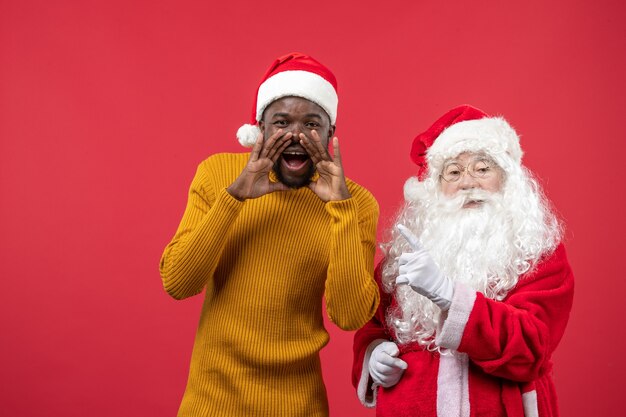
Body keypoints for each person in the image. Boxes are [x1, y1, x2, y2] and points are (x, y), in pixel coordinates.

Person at [159, 52, 380, 417]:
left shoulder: (356, 202)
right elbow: (178, 283)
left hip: (299, 404)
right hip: (212, 403)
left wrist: (340, 206)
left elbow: (350, 315)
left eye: (312, 124)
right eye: (281, 122)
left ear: (330, 134)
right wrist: (235, 197)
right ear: (260, 129)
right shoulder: (218, 174)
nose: (296, 135)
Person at [352, 105, 574, 417]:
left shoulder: (538, 254)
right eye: (454, 172)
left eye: (483, 169)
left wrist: (450, 296)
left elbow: (532, 348)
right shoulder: (406, 256)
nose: (468, 183)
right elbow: (372, 326)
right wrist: (374, 355)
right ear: (435, 189)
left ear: (507, 179)